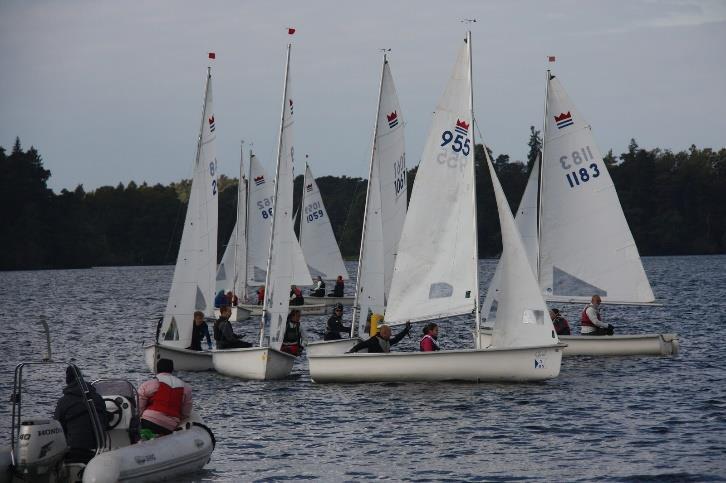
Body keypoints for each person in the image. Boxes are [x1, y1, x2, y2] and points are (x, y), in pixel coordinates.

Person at [54, 366, 108, 463]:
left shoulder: (63, 401)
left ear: (67, 381)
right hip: (99, 448)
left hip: (74, 450)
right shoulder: (98, 398)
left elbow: (58, 428)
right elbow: (105, 422)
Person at [138, 359, 192, 436]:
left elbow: (140, 406)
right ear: (172, 370)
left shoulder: (148, 384)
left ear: (157, 369)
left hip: (148, 420)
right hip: (169, 426)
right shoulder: (186, 387)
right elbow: (185, 413)